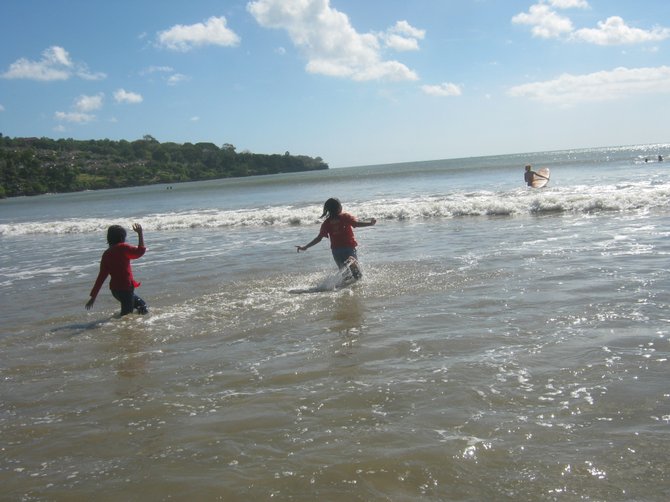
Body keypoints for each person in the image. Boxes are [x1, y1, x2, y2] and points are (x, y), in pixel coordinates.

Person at [296, 198, 376, 278]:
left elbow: (319, 238)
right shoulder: (345, 217)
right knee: (358, 275)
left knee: (346, 275)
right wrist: (370, 223)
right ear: (339, 208)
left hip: (336, 252)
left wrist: (305, 247)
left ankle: (345, 285)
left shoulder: (326, 223)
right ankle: (351, 261)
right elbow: (356, 224)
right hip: (349, 248)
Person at [85, 223, 149, 316]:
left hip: (115, 291)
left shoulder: (106, 254)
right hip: (125, 289)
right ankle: (124, 328)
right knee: (128, 315)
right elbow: (140, 252)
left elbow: (101, 277)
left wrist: (93, 297)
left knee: (141, 306)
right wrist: (140, 233)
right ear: (122, 237)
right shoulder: (122, 248)